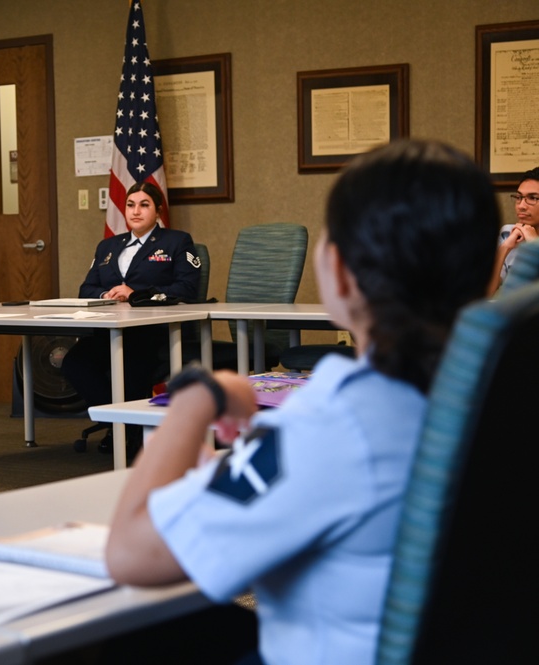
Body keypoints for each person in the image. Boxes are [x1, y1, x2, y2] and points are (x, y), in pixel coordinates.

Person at [105, 140, 499, 665]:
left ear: (337, 270)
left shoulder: (331, 426)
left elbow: (130, 555)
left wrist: (197, 398)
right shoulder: (497, 391)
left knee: (123, 636)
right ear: (487, 270)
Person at [60, 180, 201, 456]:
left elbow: (187, 289)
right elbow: (86, 288)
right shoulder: (108, 246)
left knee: (131, 366)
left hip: (153, 333)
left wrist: (136, 293)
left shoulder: (176, 241)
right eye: (130, 205)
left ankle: (128, 431)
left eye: (144, 205)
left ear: (158, 211)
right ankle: (124, 424)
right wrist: (105, 295)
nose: (136, 211)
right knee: (74, 362)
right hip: (110, 331)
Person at [489, 166, 539, 295]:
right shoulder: (508, 233)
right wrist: (505, 247)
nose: (521, 206)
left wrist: (535, 244)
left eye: (533, 198)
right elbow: (488, 291)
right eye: (519, 197)